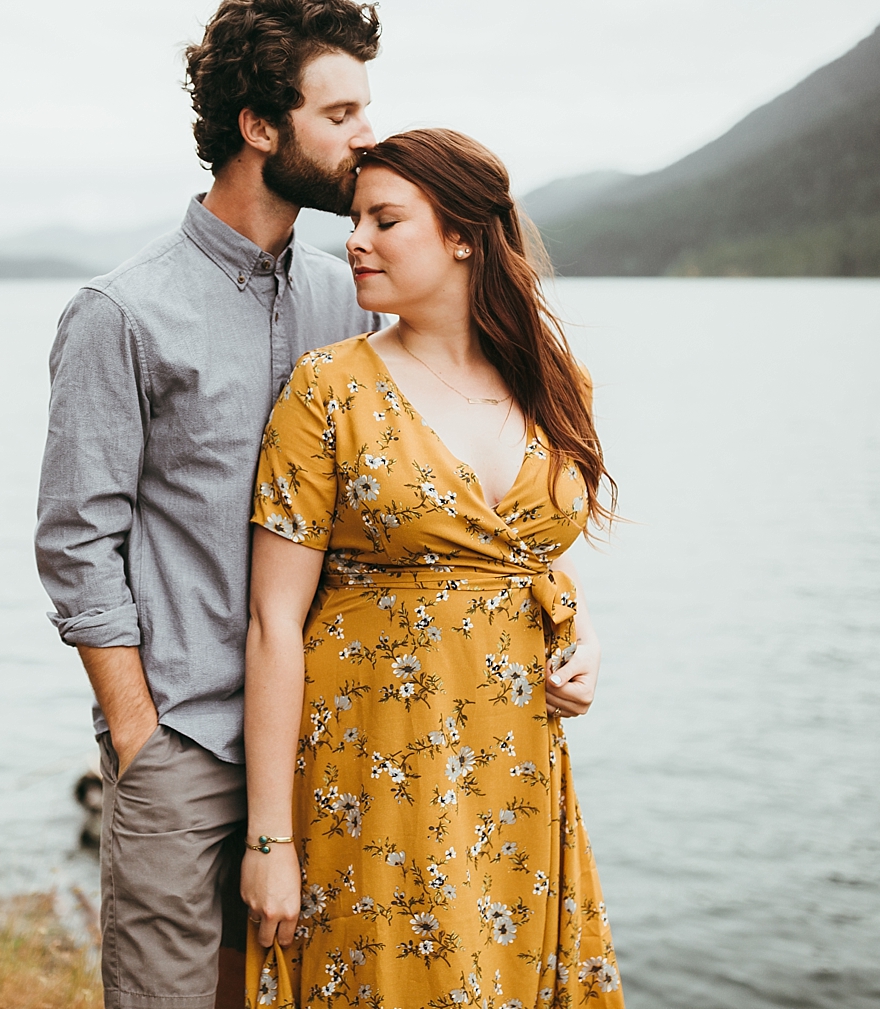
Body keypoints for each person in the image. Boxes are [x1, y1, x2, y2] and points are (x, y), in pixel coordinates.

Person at [34, 3, 384, 1008]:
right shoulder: (121, 312)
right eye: (342, 110)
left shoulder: (355, 301)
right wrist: (137, 735)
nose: (367, 135)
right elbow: (76, 543)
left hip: (329, 735)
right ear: (260, 128)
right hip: (182, 745)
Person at [240, 128, 626, 1007]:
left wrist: (586, 636)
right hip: (370, 764)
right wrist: (270, 840)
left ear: (462, 233)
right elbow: (272, 624)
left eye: (385, 219)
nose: (355, 239)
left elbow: (518, 558)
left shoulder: (557, 381)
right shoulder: (326, 388)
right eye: (354, 219)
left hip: (515, 761)